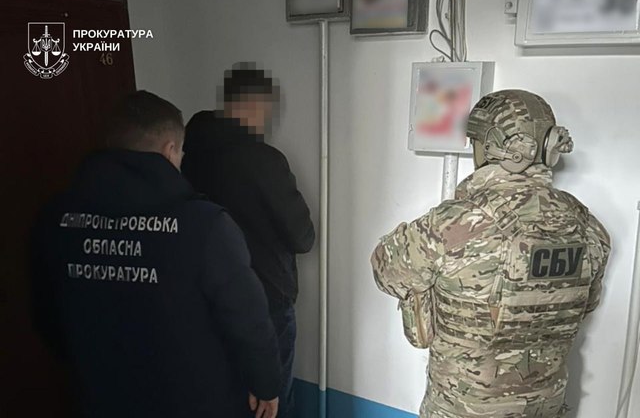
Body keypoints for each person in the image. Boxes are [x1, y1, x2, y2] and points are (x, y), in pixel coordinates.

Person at [30, 90, 281, 418]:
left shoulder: (55, 219)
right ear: (170, 150)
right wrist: (266, 384)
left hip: (101, 396)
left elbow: (48, 315)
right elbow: (248, 321)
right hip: (197, 402)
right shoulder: (204, 225)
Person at [371, 90, 611, 418]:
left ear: (490, 147)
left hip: (464, 407)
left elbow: (385, 270)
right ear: (549, 148)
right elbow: (587, 305)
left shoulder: (452, 224)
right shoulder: (587, 226)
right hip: (546, 404)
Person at [182, 63, 315, 418]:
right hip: (265, 296)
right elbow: (302, 236)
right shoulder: (263, 160)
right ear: (254, 105)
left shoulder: (188, 153)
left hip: (205, 296)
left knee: (223, 395)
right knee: (271, 401)